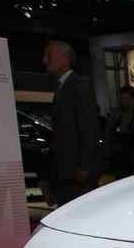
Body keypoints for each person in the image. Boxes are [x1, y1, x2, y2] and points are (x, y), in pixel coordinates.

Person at [41, 40, 100, 206]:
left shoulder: (79, 85)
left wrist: (84, 166)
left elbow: (89, 129)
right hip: (66, 172)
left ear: (64, 59)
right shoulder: (62, 87)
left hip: (76, 173)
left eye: (49, 55)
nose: (44, 60)